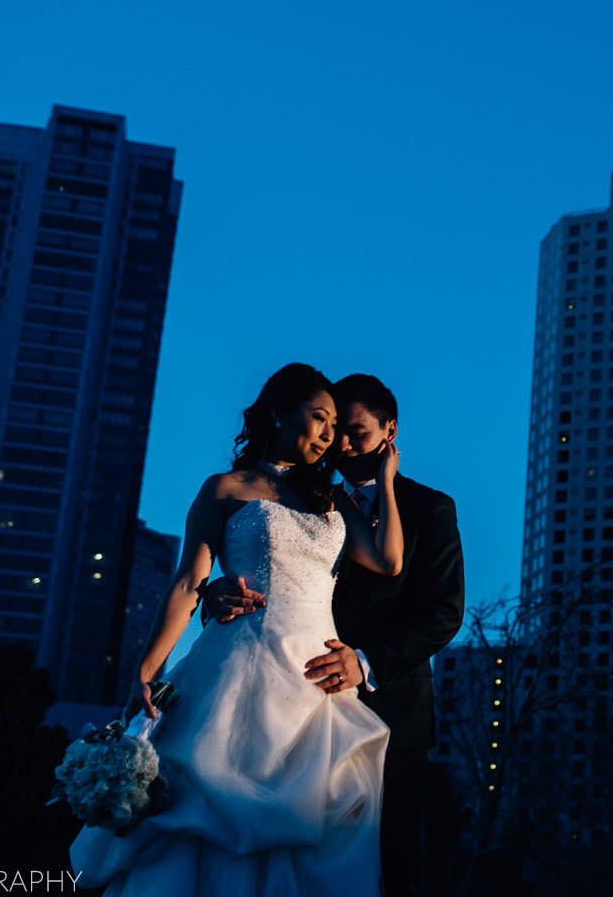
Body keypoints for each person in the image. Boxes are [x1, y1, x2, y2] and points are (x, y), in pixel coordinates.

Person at [71, 363, 403, 895]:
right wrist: (145, 671)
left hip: (315, 679)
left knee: (314, 821)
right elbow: (187, 581)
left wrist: (384, 480)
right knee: (202, 813)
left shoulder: (330, 498)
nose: (327, 435)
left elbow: (388, 561)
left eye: (334, 425)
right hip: (239, 664)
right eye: (318, 418)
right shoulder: (225, 488)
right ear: (278, 411)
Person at [208, 372, 463, 897]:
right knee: (289, 855)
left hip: (392, 714)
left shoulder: (430, 509)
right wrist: (215, 596)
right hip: (295, 701)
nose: (341, 445)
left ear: (389, 430)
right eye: (333, 429)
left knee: (385, 867)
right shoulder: (300, 494)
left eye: (358, 433)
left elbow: (443, 612)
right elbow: (263, 568)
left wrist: (364, 662)